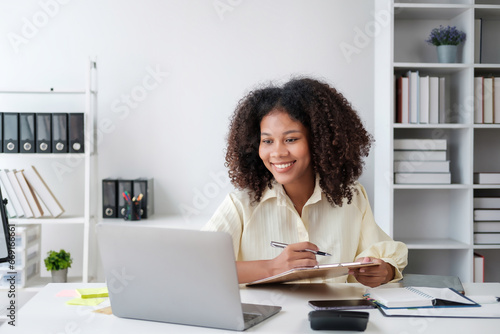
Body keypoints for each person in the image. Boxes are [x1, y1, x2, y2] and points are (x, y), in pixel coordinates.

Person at [202, 77, 407, 287]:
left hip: (332, 317)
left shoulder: (351, 197)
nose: (278, 152)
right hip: (268, 318)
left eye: (291, 139)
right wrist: (273, 267)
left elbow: (383, 255)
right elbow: (201, 265)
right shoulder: (241, 204)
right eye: (267, 141)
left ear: (318, 142)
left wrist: (385, 270)